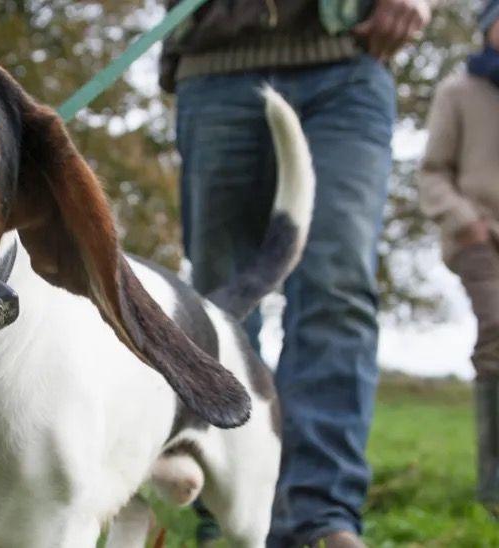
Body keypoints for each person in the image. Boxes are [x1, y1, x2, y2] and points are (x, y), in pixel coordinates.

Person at [159, 0, 431, 545]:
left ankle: (322, 518)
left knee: (338, 289)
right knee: (219, 303)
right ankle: (226, 509)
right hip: (215, 65)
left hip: (348, 61)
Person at [418, 0, 499, 513]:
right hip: (479, 235)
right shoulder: (459, 91)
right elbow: (432, 171)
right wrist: (464, 221)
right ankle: (494, 485)